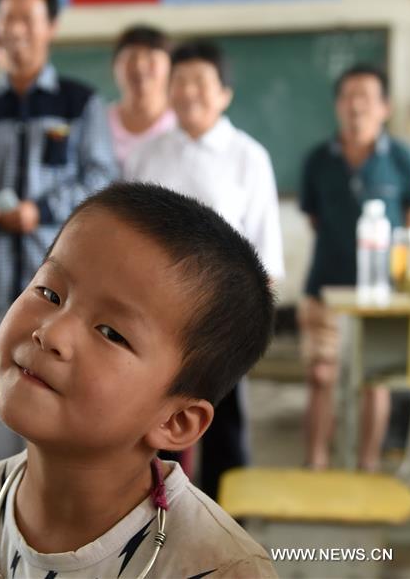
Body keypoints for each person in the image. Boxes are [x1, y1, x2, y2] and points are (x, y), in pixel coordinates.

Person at [0, 182, 277, 578]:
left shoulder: (217, 567)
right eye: (49, 292)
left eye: (111, 333)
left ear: (175, 421)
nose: (51, 334)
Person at [0, 0, 117, 472]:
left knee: (57, 395)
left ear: (51, 26)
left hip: (63, 288)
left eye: (28, 19)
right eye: (6, 19)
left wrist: (40, 212)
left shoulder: (80, 102)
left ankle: (49, 519)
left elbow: (101, 177)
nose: (17, 30)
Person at [125, 41, 284, 500]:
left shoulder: (249, 157)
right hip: (153, 316)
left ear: (225, 94)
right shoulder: (146, 155)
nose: (189, 92)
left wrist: (249, 331)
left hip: (223, 318)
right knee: (155, 421)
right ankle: (157, 515)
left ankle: (227, 526)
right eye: (180, 81)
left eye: (201, 82)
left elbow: (266, 253)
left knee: (223, 427)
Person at [299, 64, 410, 472]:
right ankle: (315, 468)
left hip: (383, 295)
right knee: (321, 377)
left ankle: (367, 469)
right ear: (337, 105)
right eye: (348, 96)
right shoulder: (317, 159)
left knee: (376, 382)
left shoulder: (403, 158)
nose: (356, 106)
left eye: (366, 97)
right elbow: (315, 219)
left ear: (384, 107)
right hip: (324, 289)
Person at [109, 25, 176, 176]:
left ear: (171, 67)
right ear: (115, 66)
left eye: (151, 58)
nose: (140, 66)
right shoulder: (100, 121)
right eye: (131, 57)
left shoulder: (181, 123)